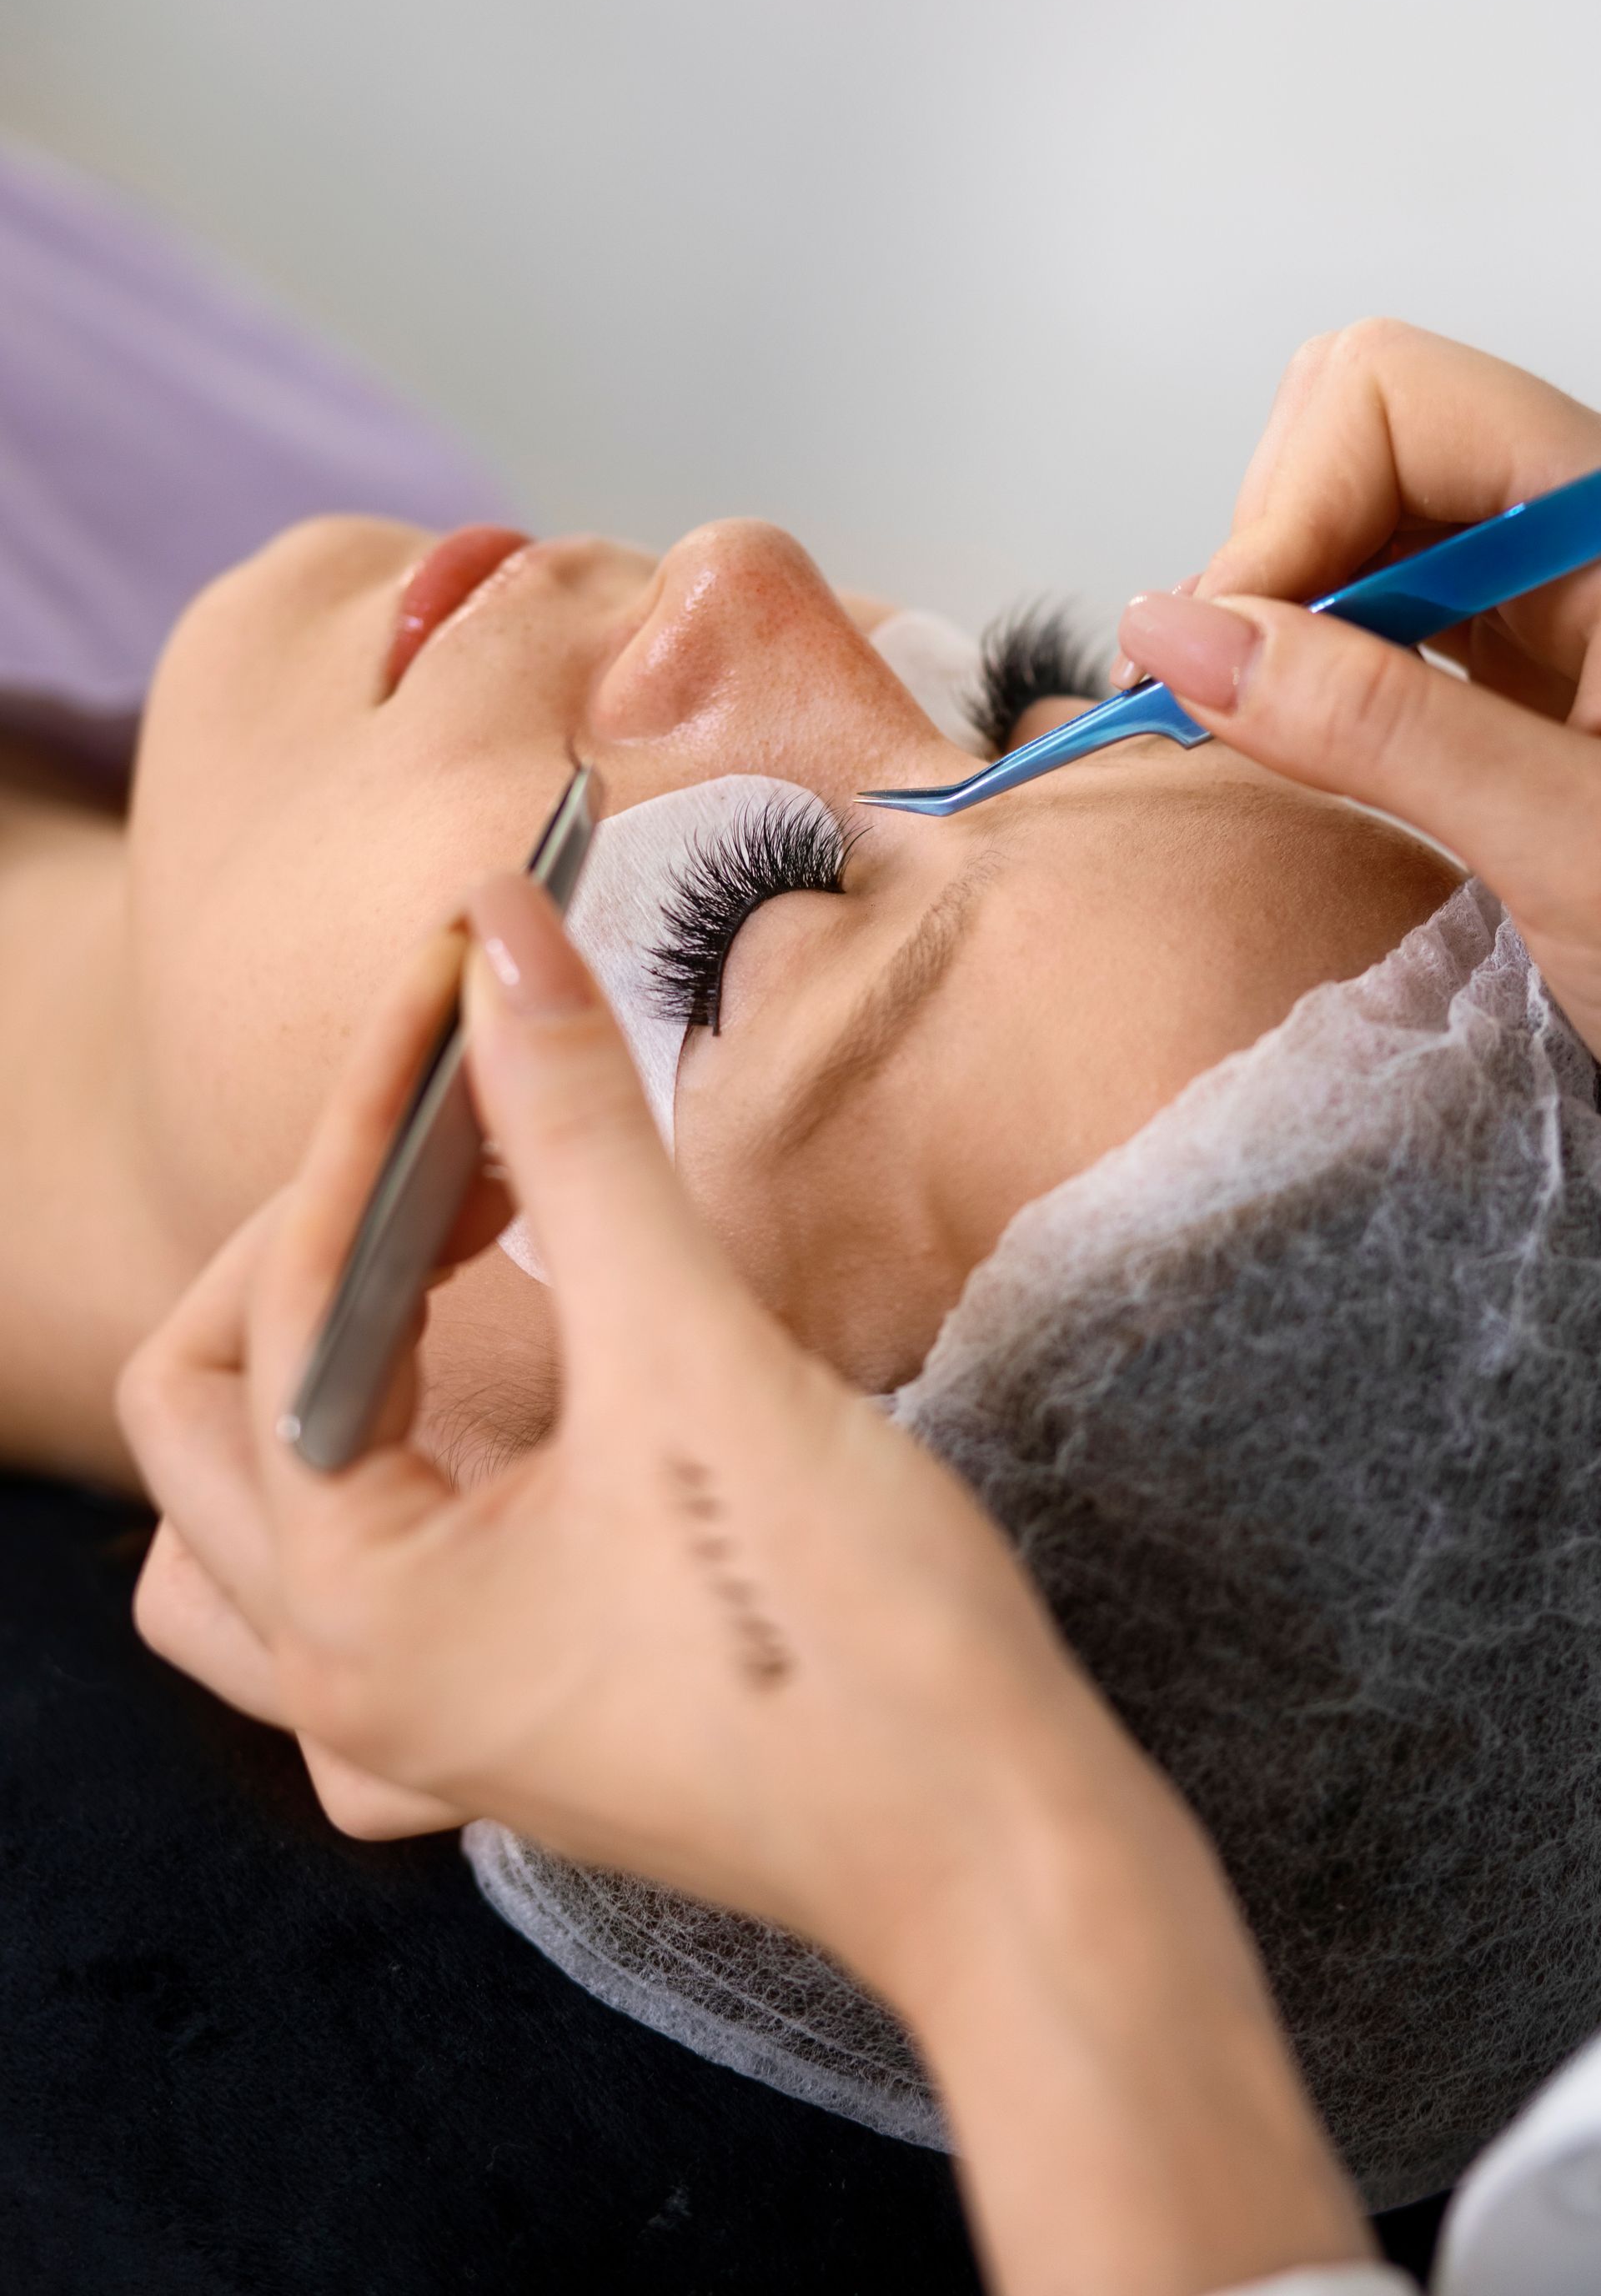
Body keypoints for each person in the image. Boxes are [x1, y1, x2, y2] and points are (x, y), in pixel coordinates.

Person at [122, 317, 1601, 2295]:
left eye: (732, 924)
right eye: (1023, 698)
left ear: (442, 1513)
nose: (744, 569)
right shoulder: (207, 399)